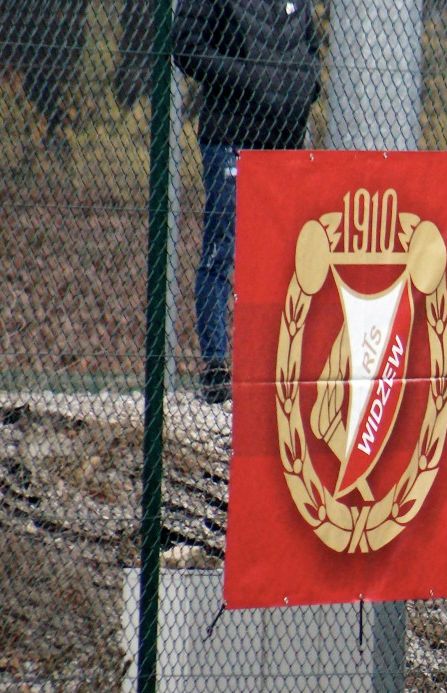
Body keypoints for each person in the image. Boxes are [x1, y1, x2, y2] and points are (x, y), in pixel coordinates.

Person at [172, 0, 320, 404]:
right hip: (230, 136)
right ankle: (216, 367)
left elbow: (311, 47)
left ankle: (275, 366)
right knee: (222, 250)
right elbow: (184, 44)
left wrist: (307, 85)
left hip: (284, 141)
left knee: (285, 258)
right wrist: (247, 77)